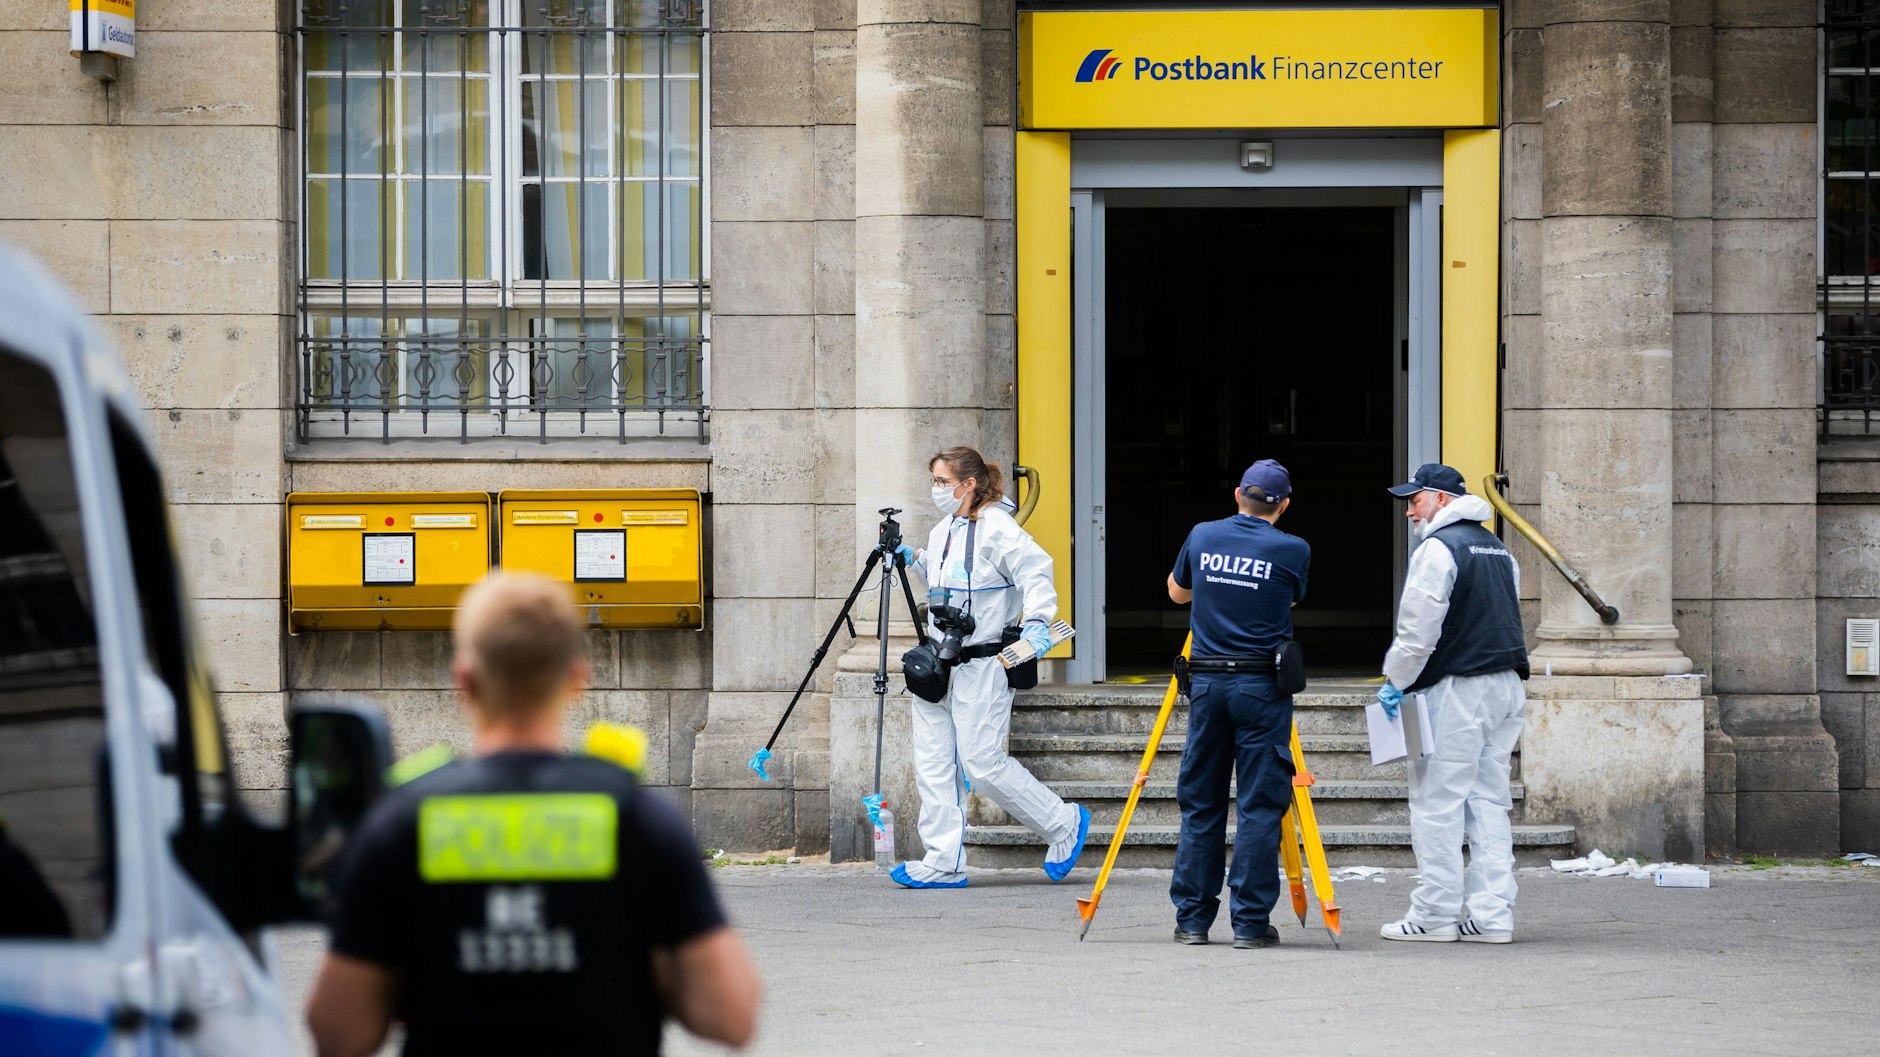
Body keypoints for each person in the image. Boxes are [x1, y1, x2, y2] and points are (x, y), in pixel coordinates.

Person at [306, 573, 760, 1056]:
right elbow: (730, 1016)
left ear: (464, 680)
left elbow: (339, 1034)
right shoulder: (640, 820)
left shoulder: (402, 823)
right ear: (576, 679)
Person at [886, 446, 1090, 888]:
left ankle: (1063, 823)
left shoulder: (999, 527)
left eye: (943, 481)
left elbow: (1036, 571)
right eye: (935, 480)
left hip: (983, 663)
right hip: (939, 662)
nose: (937, 489)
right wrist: (915, 560)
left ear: (969, 483)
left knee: (981, 764)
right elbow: (945, 586)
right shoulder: (944, 530)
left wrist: (1038, 623)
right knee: (934, 762)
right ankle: (943, 860)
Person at [1375, 463, 1529, 944]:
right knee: (1488, 802)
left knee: (1436, 803)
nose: (1408, 512)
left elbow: (1417, 632)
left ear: (1440, 499)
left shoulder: (1438, 549)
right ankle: (1492, 915)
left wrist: (1394, 681)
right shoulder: (1498, 549)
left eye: (1414, 500)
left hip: (1458, 689)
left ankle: (1436, 914)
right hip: (1505, 685)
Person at [1165, 459, 1310, 948]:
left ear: (1237, 496)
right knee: (1260, 805)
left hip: (1206, 685)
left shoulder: (1203, 535)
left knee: (1201, 803)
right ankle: (1249, 923)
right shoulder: (1293, 549)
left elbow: (1177, 592)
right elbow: (1288, 600)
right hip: (1261, 688)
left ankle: (1192, 920)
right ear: (1283, 505)